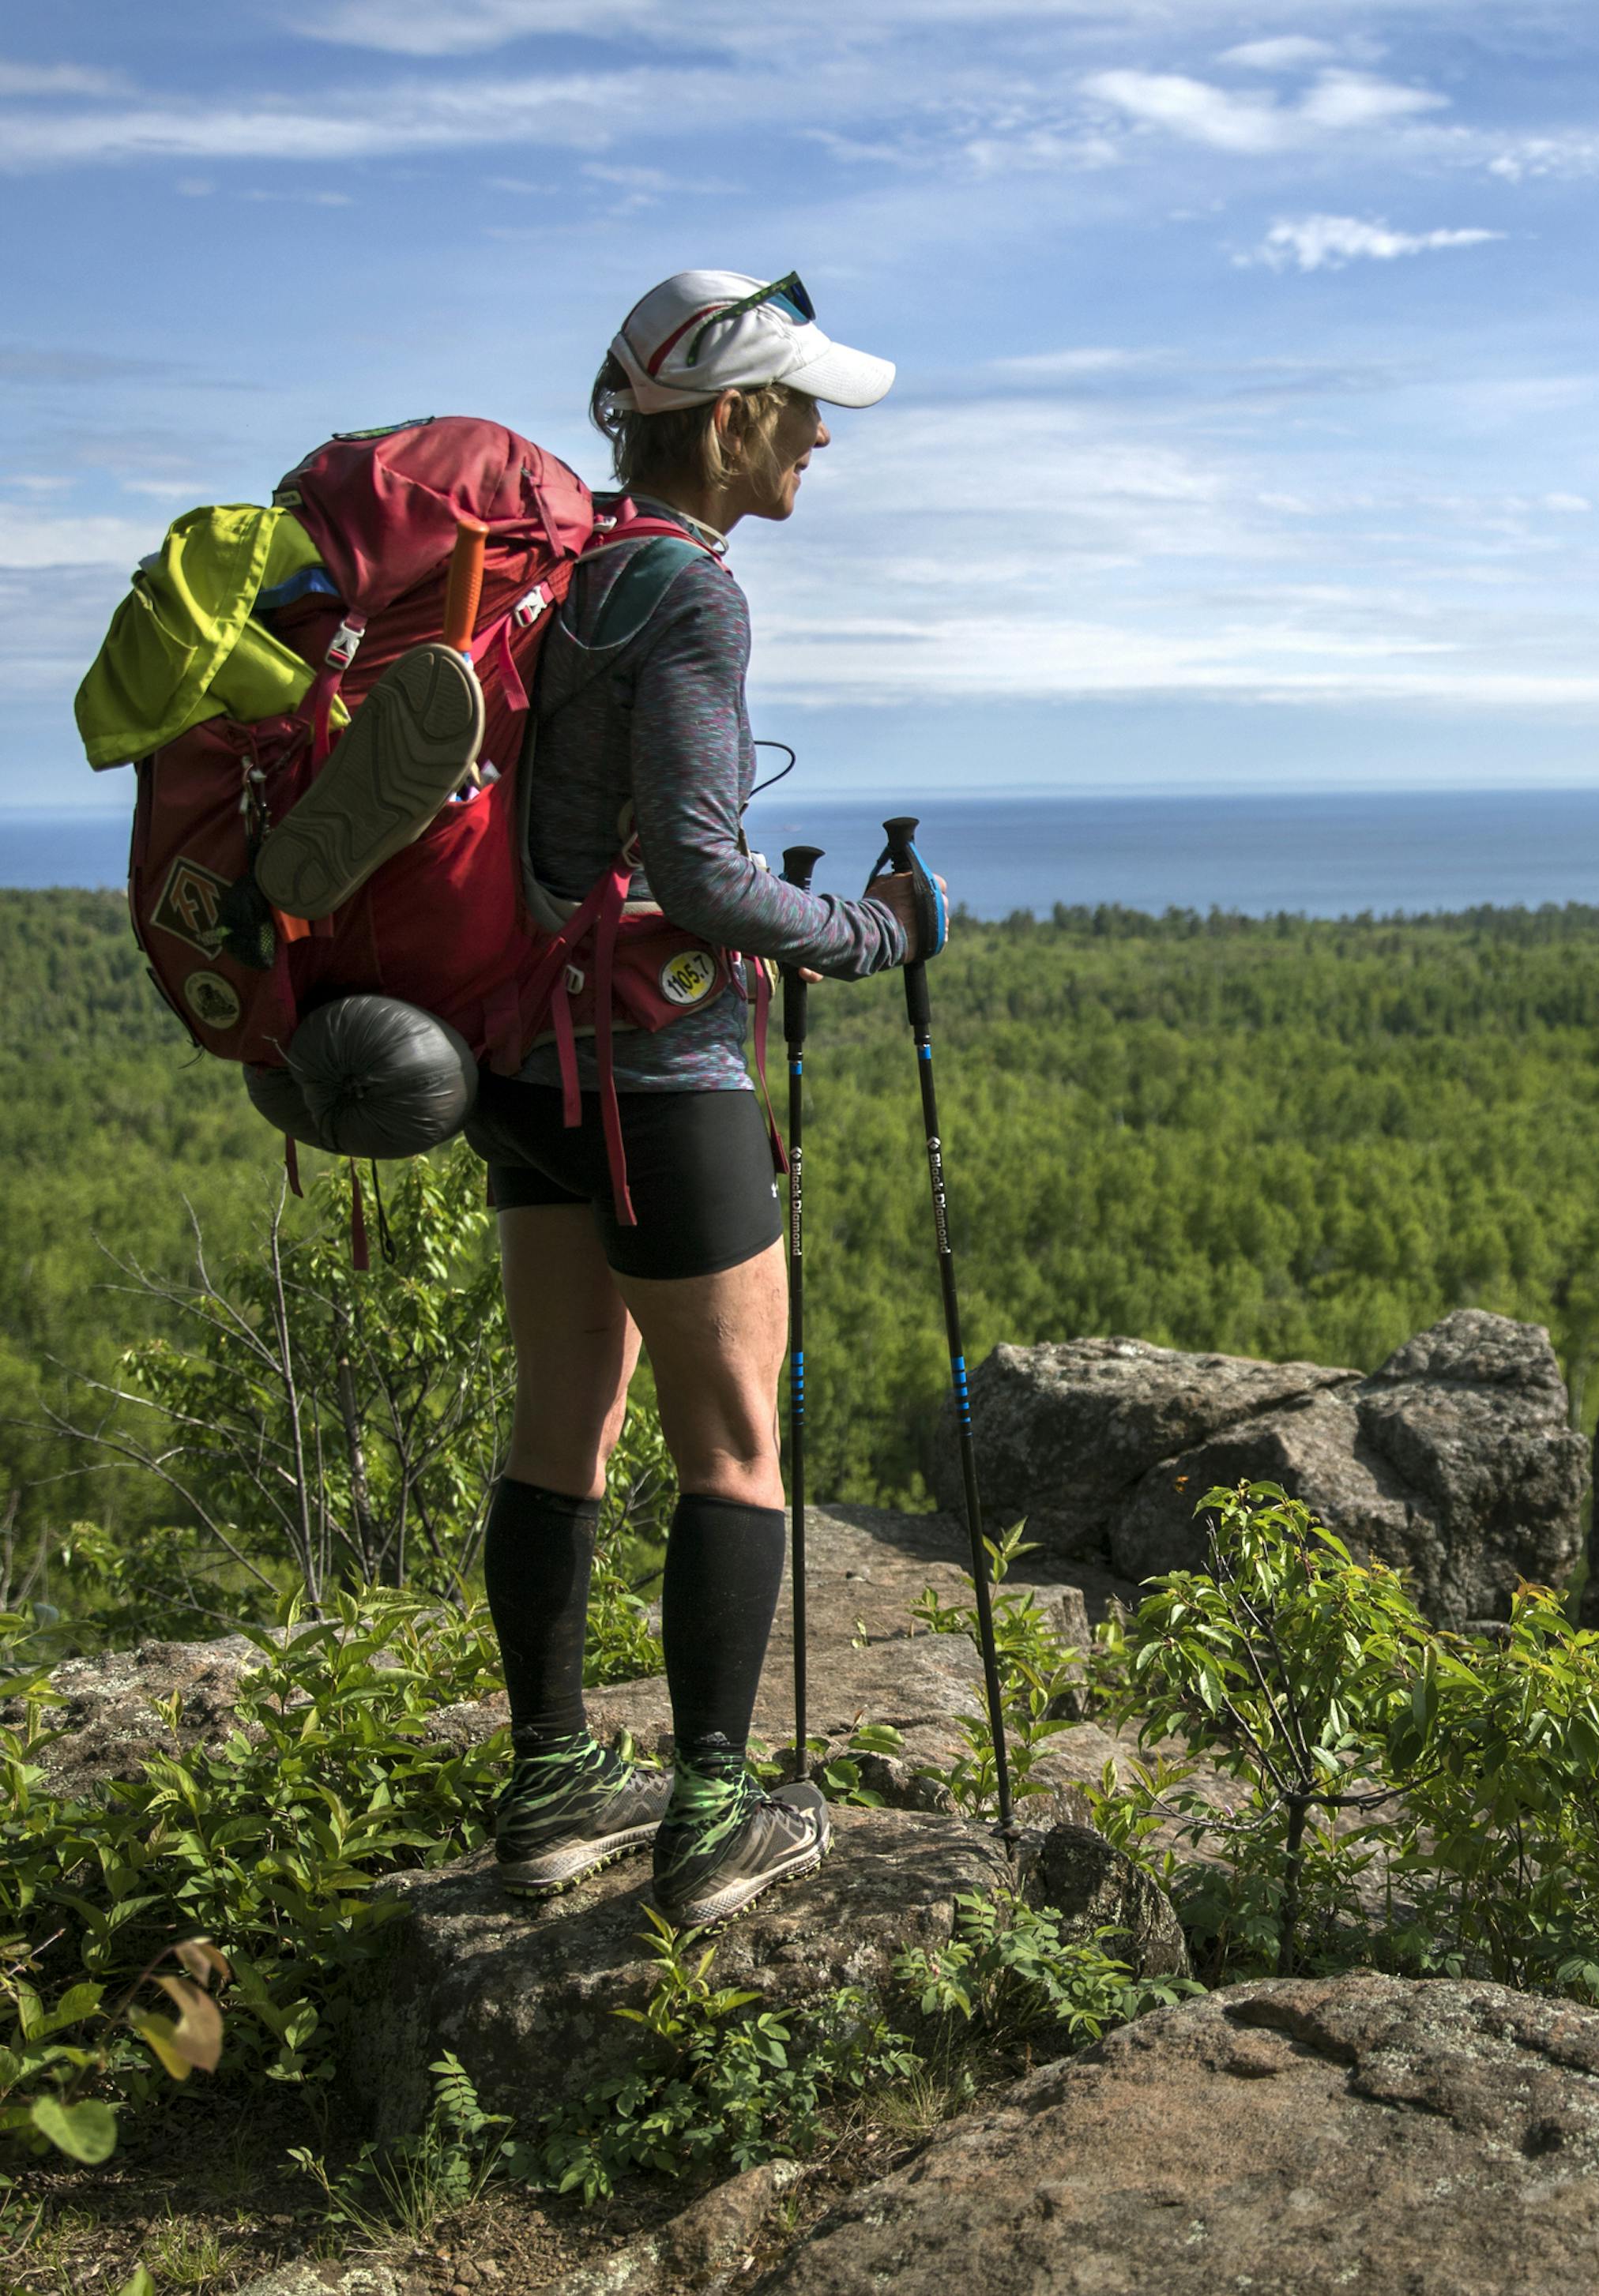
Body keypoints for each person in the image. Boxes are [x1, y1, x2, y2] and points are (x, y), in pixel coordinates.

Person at [461, 272, 943, 1927]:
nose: (821, 434)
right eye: (802, 406)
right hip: (657, 1069)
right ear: (729, 416)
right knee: (734, 1445)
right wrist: (870, 931)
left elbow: (571, 851)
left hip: (522, 1059)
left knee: (558, 1426)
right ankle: (715, 1812)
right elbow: (704, 869)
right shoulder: (689, 590)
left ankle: (549, 1785)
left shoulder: (562, 573)